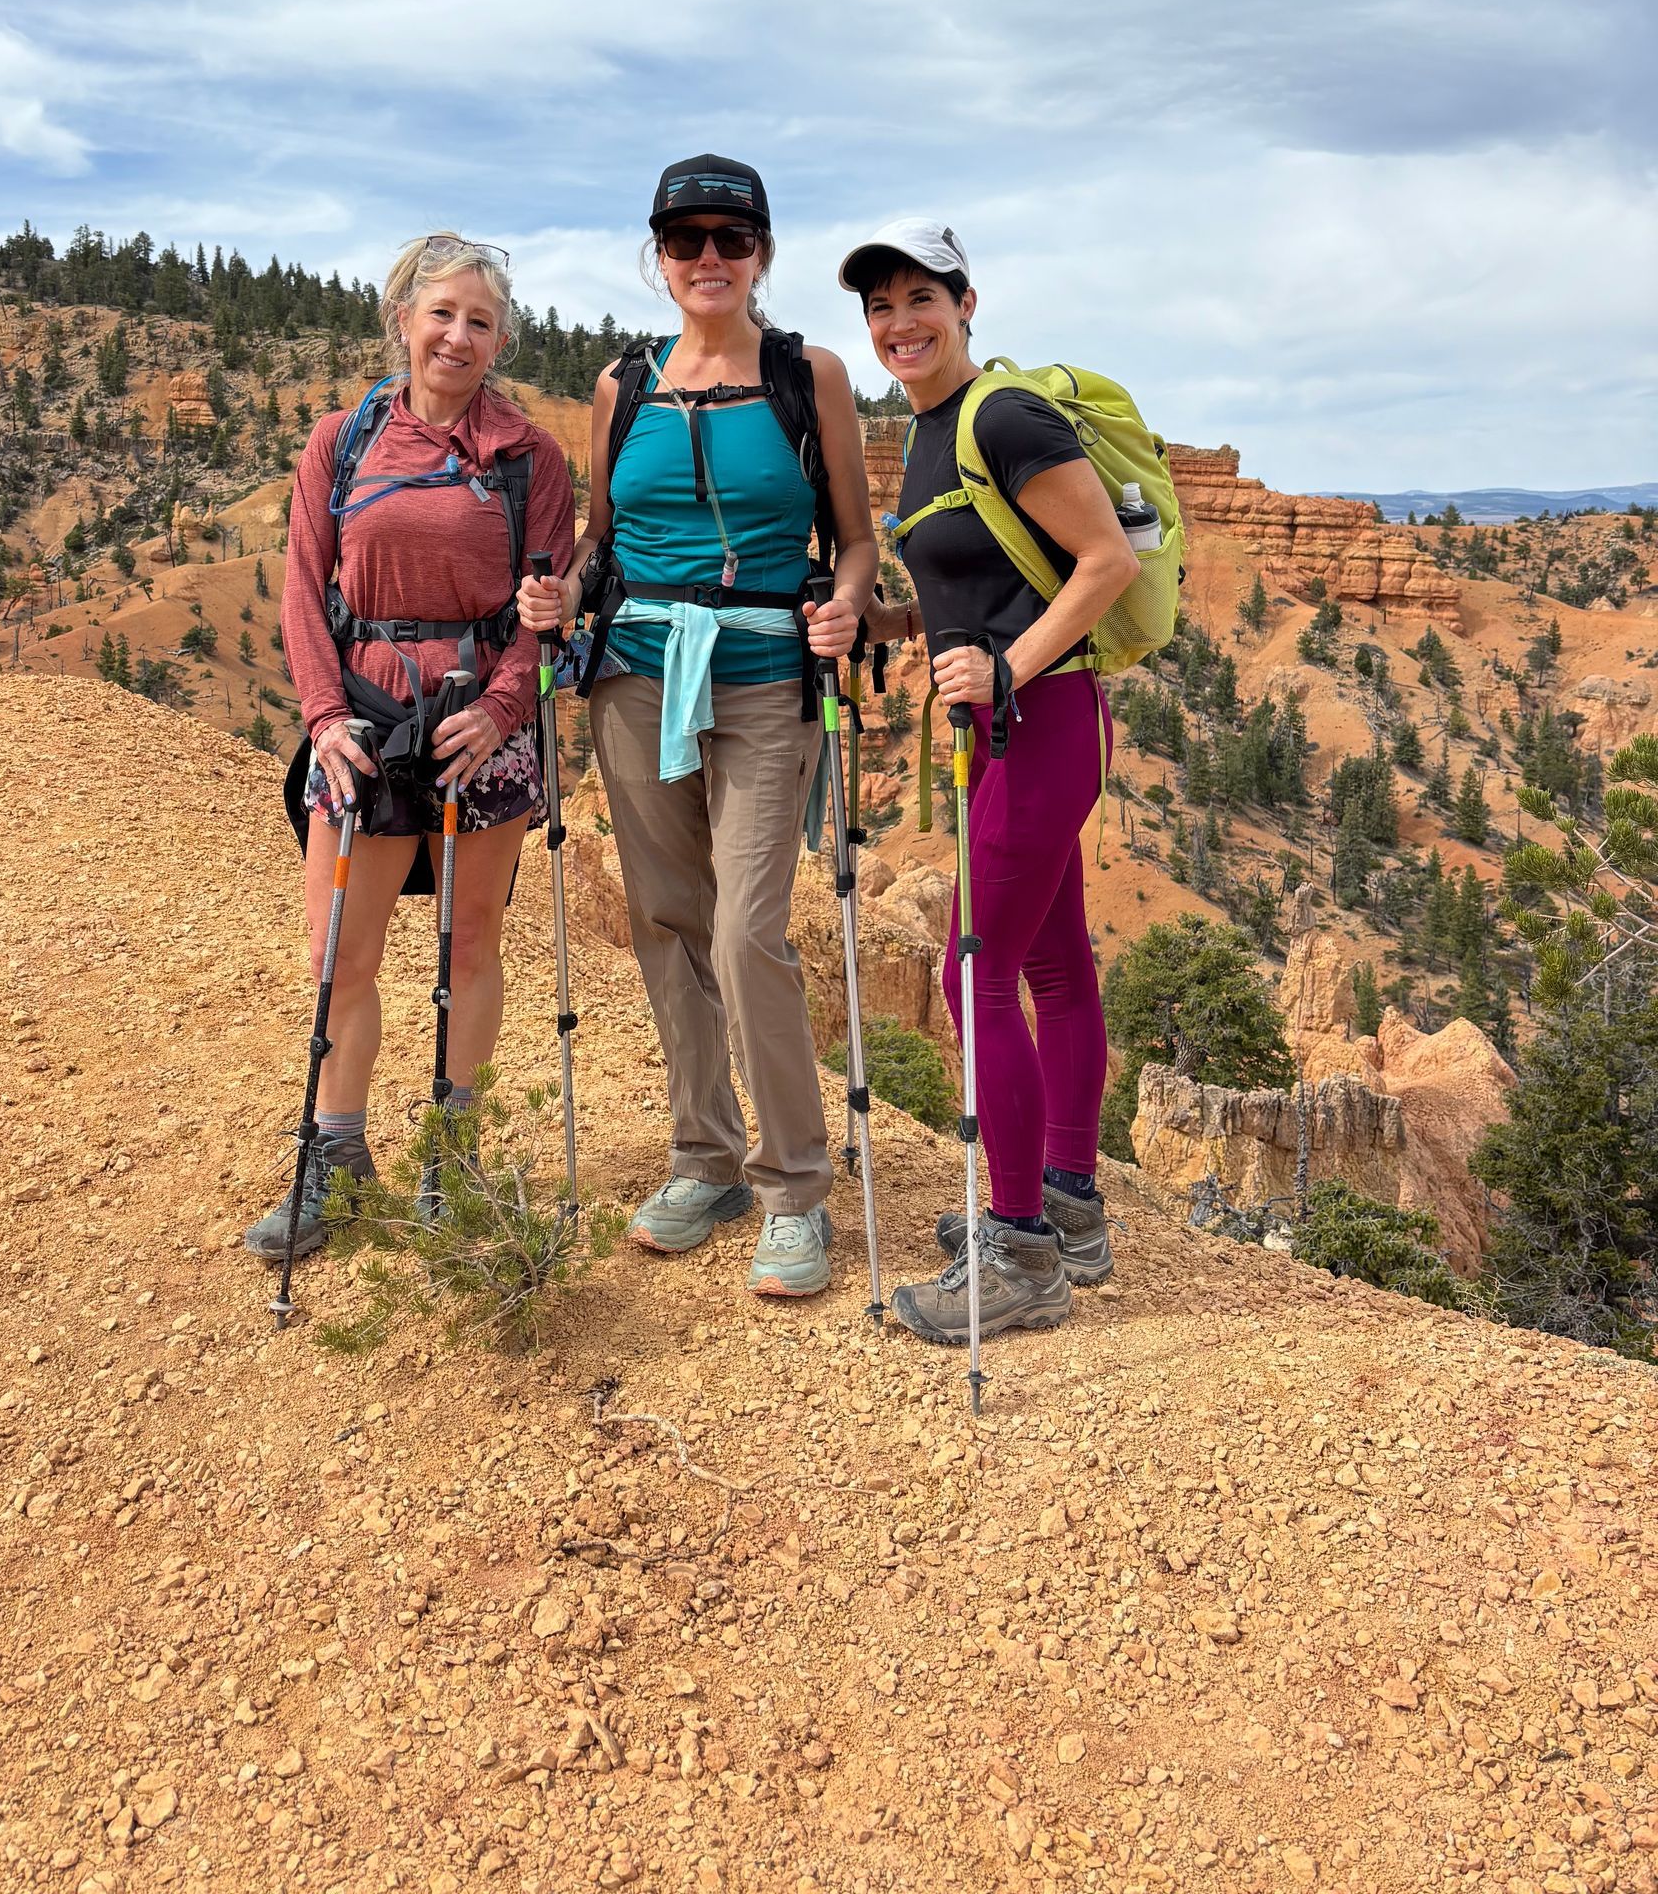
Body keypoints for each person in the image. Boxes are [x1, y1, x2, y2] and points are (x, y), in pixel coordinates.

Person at [519, 156, 878, 1299]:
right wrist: (561, 591)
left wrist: (853, 600)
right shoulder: (622, 386)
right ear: (658, 257)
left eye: (731, 238)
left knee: (748, 930)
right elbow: (598, 535)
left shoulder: (806, 374)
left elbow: (858, 539)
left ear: (762, 251)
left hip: (769, 672)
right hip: (635, 671)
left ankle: (793, 1186)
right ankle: (703, 1155)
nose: (708, 259)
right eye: (687, 241)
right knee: (669, 917)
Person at [245, 233, 575, 1264]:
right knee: (338, 951)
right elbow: (304, 586)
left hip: (482, 729)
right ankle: (336, 1159)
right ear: (402, 319)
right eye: (442, 314)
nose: (459, 336)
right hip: (363, 718)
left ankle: (454, 1152)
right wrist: (320, 716)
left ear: (502, 336)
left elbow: (547, 604)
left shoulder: (531, 457)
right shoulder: (341, 443)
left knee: (471, 943)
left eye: (480, 321)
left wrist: (509, 704)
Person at [839, 218, 1139, 1341]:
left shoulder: (1003, 415)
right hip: (1010, 725)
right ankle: (1069, 1205)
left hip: (1042, 721)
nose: (899, 323)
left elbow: (1104, 561)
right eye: (879, 306)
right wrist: (891, 619)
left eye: (921, 298)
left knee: (976, 977)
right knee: (1053, 965)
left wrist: (1005, 665)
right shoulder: (929, 432)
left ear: (968, 303)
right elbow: (992, 581)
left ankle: (1018, 1252)